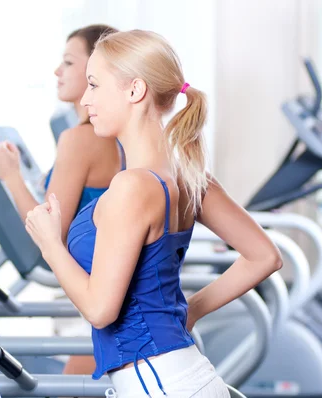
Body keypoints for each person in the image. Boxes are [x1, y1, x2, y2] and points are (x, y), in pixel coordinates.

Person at [24, 29, 282, 397]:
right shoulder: (187, 174)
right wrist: (189, 311)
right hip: (179, 375)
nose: (85, 98)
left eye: (95, 85)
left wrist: (51, 245)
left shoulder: (133, 187)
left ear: (135, 91)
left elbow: (100, 310)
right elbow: (265, 255)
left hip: (159, 384)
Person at [0, 24, 122, 376]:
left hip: (93, 299)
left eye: (68, 62)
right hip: (105, 291)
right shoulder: (114, 136)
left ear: (97, 69)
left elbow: (50, 231)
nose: (57, 72)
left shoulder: (80, 139)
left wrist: (11, 176)